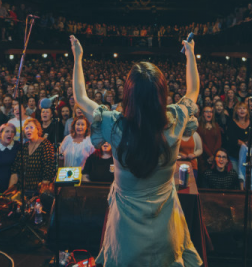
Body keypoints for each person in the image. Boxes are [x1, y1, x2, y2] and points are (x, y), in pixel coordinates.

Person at [71, 34, 203, 266]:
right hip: (165, 224)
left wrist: (78, 57)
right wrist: (190, 55)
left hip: (126, 229)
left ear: (128, 94)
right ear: (161, 96)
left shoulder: (113, 125)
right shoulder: (176, 119)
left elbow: (81, 98)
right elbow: (192, 92)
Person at [9, 118, 56, 194]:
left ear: (37, 129)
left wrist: (41, 194)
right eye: (26, 128)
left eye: (31, 127)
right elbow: (15, 170)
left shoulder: (45, 145)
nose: (28, 130)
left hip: (38, 191)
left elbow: (48, 171)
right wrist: (10, 192)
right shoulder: (24, 147)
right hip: (22, 191)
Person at [199, 106, 224, 170]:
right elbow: (201, 143)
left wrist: (213, 155)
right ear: (203, 114)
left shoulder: (216, 125)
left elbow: (219, 141)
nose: (209, 113)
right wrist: (210, 155)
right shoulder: (199, 127)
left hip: (215, 156)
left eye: (211, 112)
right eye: (207, 111)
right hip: (204, 157)